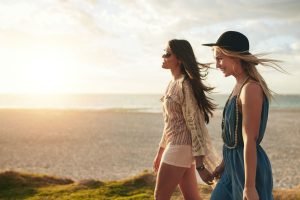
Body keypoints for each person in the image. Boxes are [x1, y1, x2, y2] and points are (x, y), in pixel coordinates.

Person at [203, 31, 283, 200]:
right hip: (231, 168)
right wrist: (224, 164)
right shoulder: (238, 86)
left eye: (219, 58)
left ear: (235, 57)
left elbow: (249, 140)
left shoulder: (250, 89)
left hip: (247, 171)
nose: (217, 65)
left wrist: (250, 186)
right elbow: (235, 138)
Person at [153, 39, 220, 200]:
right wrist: (160, 151)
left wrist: (200, 165)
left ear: (180, 59)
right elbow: (170, 123)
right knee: (192, 198)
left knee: (160, 196)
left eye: (168, 53)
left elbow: (195, 126)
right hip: (177, 146)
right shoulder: (172, 83)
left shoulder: (185, 85)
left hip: (180, 148)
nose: (163, 56)